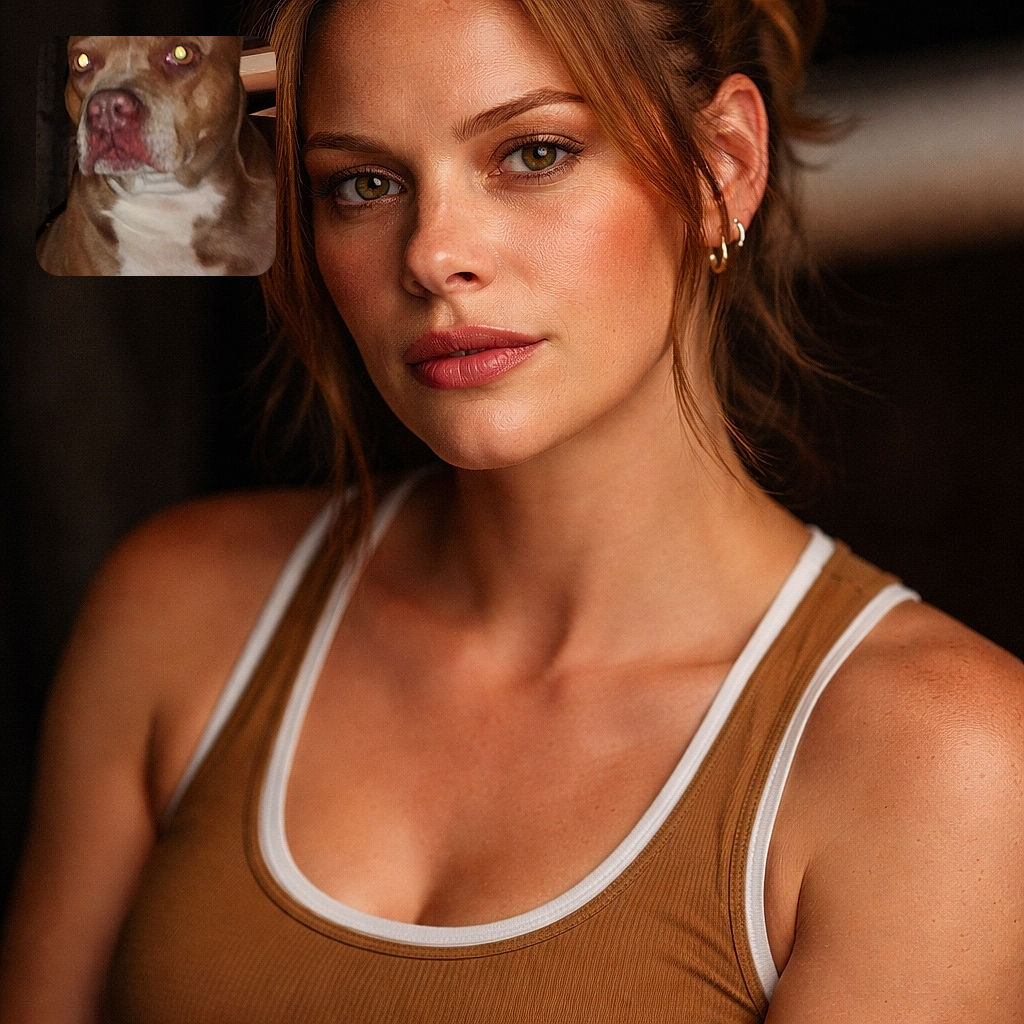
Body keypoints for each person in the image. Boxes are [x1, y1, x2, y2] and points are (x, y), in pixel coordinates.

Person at [2, 0, 1022, 1020]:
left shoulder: (942, 763)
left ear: (723, 167)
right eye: (360, 182)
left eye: (532, 153)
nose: (433, 253)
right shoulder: (179, 612)